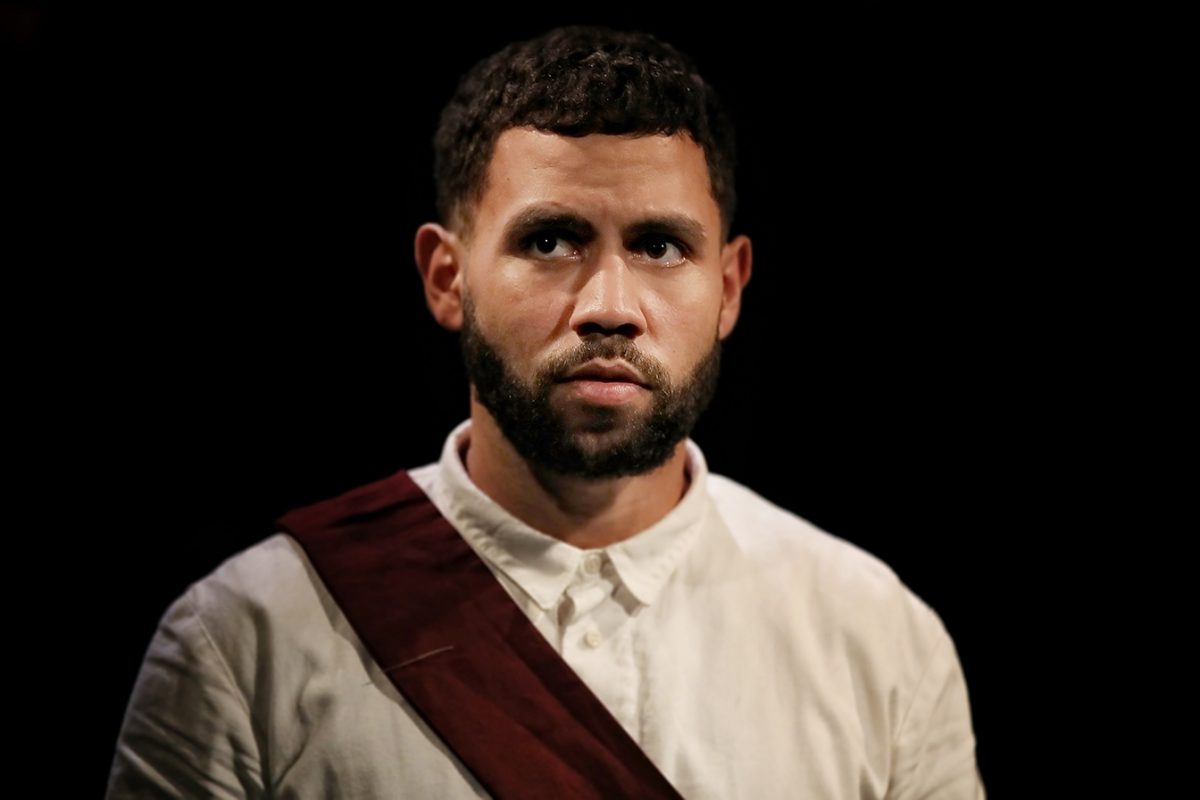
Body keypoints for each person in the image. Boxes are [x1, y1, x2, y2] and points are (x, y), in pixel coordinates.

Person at [106, 25, 985, 799]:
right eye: (551, 240)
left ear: (728, 286)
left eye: (660, 246)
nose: (610, 303)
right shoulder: (241, 641)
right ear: (447, 277)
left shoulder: (878, 639)